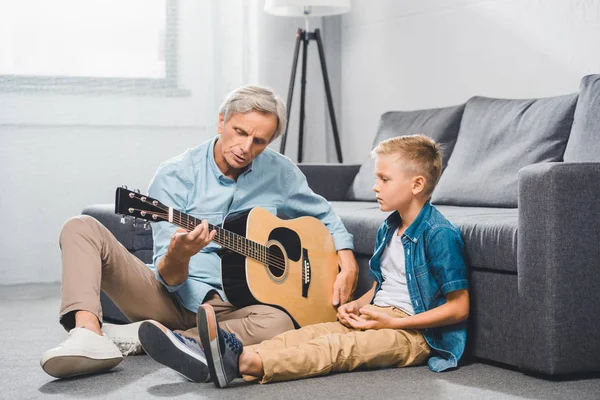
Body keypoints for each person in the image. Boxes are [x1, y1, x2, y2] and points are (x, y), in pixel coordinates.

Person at [40, 85, 359, 381]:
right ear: (221, 121)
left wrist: (347, 259)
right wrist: (181, 255)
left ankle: (161, 339)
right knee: (79, 227)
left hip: (235, 306)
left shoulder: (280, 172)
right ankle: (88, 334)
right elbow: (168, 278)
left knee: (282, 323)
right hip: (170, 299)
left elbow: (323, 214)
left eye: (259, 141)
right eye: (240, 132)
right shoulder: (176, 174)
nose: (245, 148)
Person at [192, 134, 470, 387]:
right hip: (377, 315)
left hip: (415, 333)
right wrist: (356, 305)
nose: (375, 187)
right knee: (311, 333)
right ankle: (225, 358)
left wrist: (391, 323)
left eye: (384, 179)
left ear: (417, 184)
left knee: (337, 349)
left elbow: (459, 308)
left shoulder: (438, 234)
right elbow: (385, 283)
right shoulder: (389, 227)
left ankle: (245, 364)